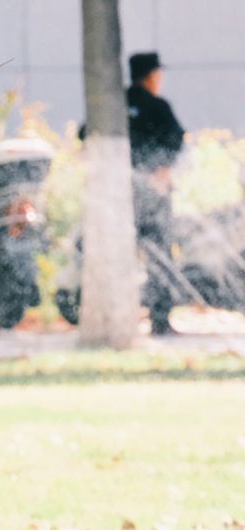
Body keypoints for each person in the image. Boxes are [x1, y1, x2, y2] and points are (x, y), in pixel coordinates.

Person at [127, 51, 186, 333]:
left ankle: (121, 316)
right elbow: (177, 139)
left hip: (121, 198)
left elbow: (85, 134)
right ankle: (159, 320)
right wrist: (163, 170)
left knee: (123, 255)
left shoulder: (115, 103)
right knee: (160, 257)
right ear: (151, 76)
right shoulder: (158, 106)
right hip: (154, 194)